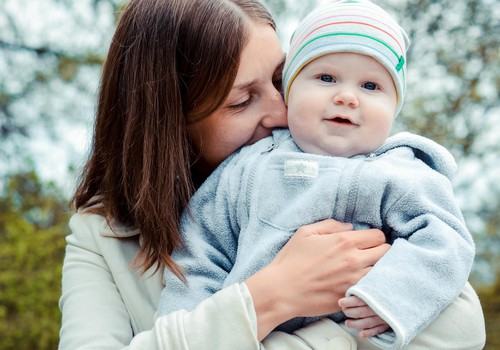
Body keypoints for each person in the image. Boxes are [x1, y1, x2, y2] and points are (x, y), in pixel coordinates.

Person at [58, 0, 401, 349]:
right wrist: (270, 298)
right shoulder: (102, 237)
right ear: (170, 124)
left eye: (281, 81)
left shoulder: (360, 178)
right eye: (242, 100)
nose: (282, 112)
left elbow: (455, 327)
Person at [157, 1, 486, 349]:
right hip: (250, 333)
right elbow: (200, 250)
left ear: (394, 107)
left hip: (353, 325)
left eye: (371, 86)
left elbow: (444, 241)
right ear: (290, 89)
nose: (347, 97)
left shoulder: (402, 172)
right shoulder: (245, 168)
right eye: (326, 78)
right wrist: (188, 323)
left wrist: (389, 300)